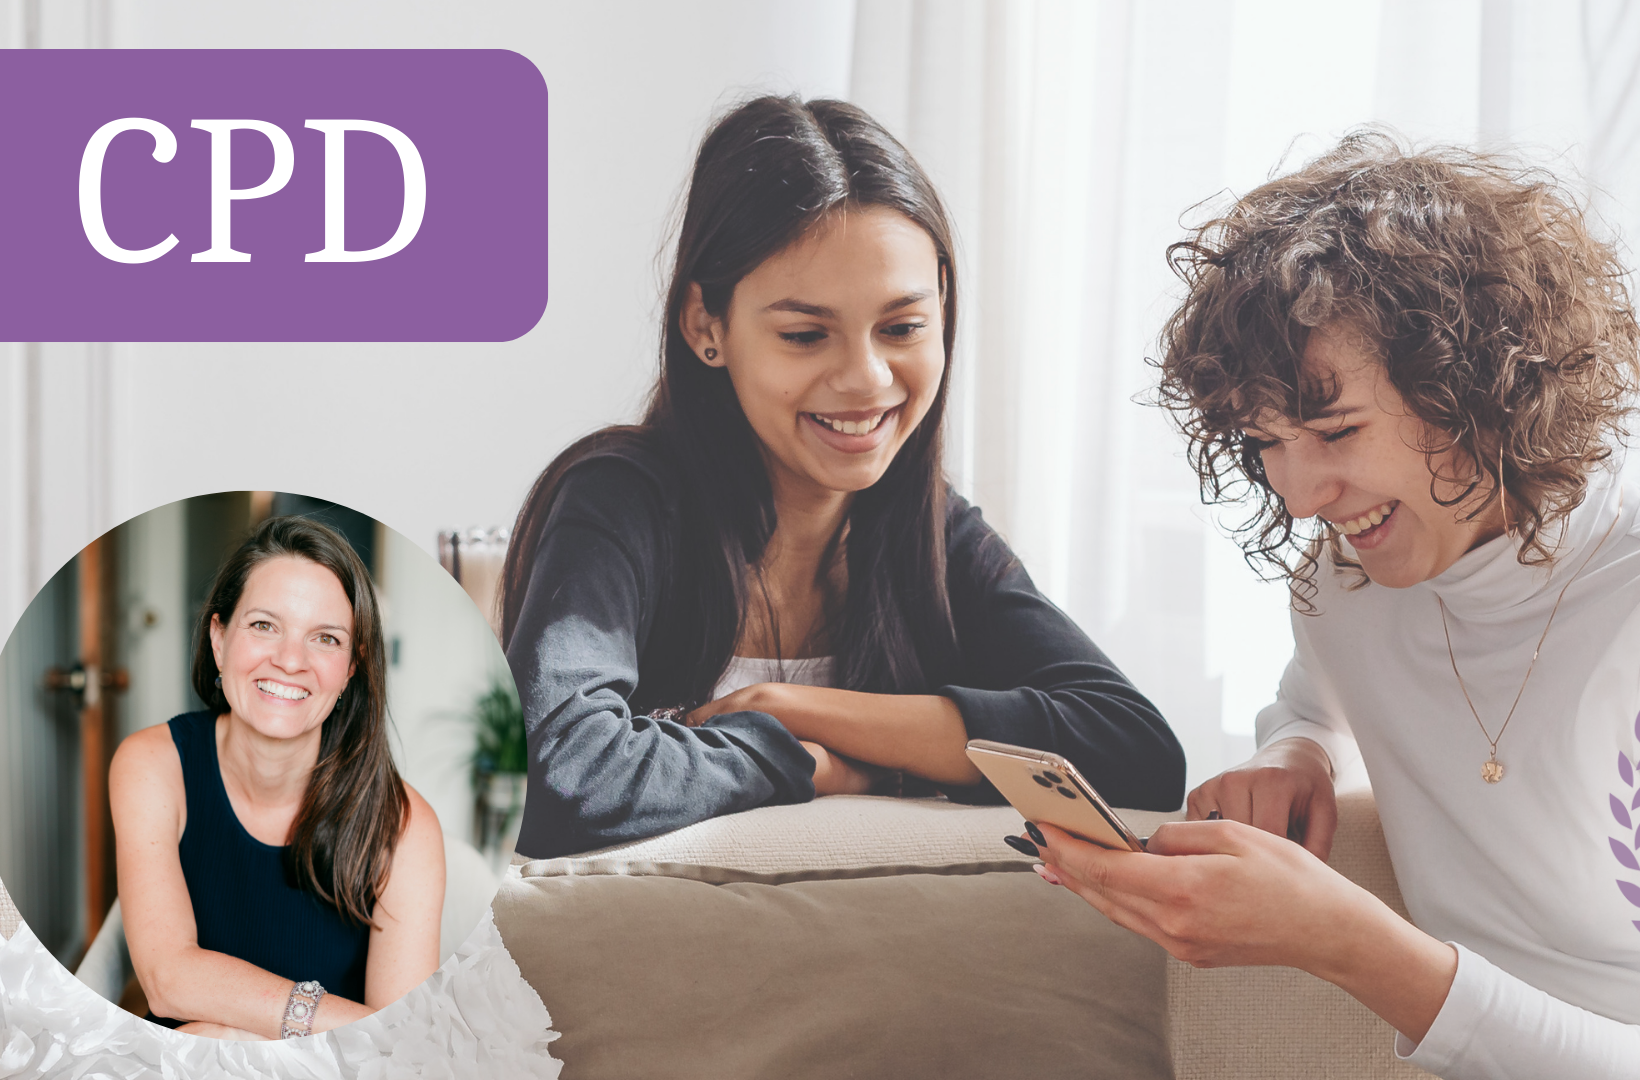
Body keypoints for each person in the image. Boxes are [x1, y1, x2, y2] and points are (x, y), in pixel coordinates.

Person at [1027, 133, 1640, 1079]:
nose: (1301, 494)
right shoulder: (1345, 584)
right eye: (1265, 442)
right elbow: (1320, 699)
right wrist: (1298, 751)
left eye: (1335, 429)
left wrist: (1350, 941)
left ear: (1472, 385)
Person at [500, 94, 1186, 860]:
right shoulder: (621, 500)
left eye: (902, 328)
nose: (866, 379)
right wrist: (797, 760)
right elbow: (550, 780)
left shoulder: (936, 532)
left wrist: (795, 708)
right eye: (805, 334)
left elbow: (1139, 753)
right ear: (706, 327)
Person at [112, 516, 445, 1040]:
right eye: (264, 625)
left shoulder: (405, 825)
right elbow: (166, 982)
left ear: (352, 668)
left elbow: (401, 1050)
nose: (291, 660)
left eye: (326, 638)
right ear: (219, 639)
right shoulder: (152, 764)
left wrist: (226, 1035)